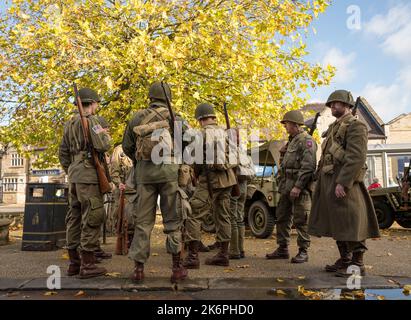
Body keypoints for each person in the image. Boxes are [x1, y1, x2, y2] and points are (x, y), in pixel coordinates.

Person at [308, 90, 380, 276]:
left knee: (352, 221)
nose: (332, 106)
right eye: (331, 104)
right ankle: (345, 259)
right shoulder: (334, 127)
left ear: (347, 105)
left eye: (337, 103)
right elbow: (325, 156)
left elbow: (356, 157)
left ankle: (357, 264)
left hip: (345, 181)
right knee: (336, 222)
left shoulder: (356, 126)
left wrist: (343, 182)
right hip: (328, 180)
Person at [122, 81, 188, 283]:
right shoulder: (176, 117)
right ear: (167, 96)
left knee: (143, 223)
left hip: (144, 175)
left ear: (150, 97)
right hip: (169, 173)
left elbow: (127, 146)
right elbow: (188, 142)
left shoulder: (137, 117)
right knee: (173, 220)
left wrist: (141, 162)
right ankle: (176, 269)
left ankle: (138, 270)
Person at [59, 87, 112, 278]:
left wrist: (73, 170)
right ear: (93, 103)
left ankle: (74, 263)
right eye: (97, 103)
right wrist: (106, 134)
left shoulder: (68, 124)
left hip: (74, 176)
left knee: (74, 217)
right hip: (89, 177)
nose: (97, 106)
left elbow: (63, 154)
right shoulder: (94, 122)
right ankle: (88, 265)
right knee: (93, 216)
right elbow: (103, 145)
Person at [183, 103, 237, 269]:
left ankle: (192, 258)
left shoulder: (202, 134)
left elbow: (197, 160)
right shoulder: (227, 133)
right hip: (228, 180)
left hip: (210, 180)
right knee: (223, 216)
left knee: (193, 214)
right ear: (213, 117)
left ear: (200, 119)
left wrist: (195, 174)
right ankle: (223, 255)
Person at [266, 110, 317, 263]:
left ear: (295, 124)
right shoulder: (291, 141)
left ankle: (303, 251)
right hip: (286, 186)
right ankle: (282, 248)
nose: (285, 126)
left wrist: (298, 186)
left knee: (301, 219)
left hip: (299, 187)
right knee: (282, 217)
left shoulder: (307, 141)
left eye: (286, 123)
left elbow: (308, 166)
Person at [110, 144, 137, 249]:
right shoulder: (119, 150)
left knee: (137, 215)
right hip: (124, 188)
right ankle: (124, 239)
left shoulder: (141, 146)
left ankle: (133, 239)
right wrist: (118, 183)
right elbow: (114, 171)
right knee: (122, 215)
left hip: (138, 188)